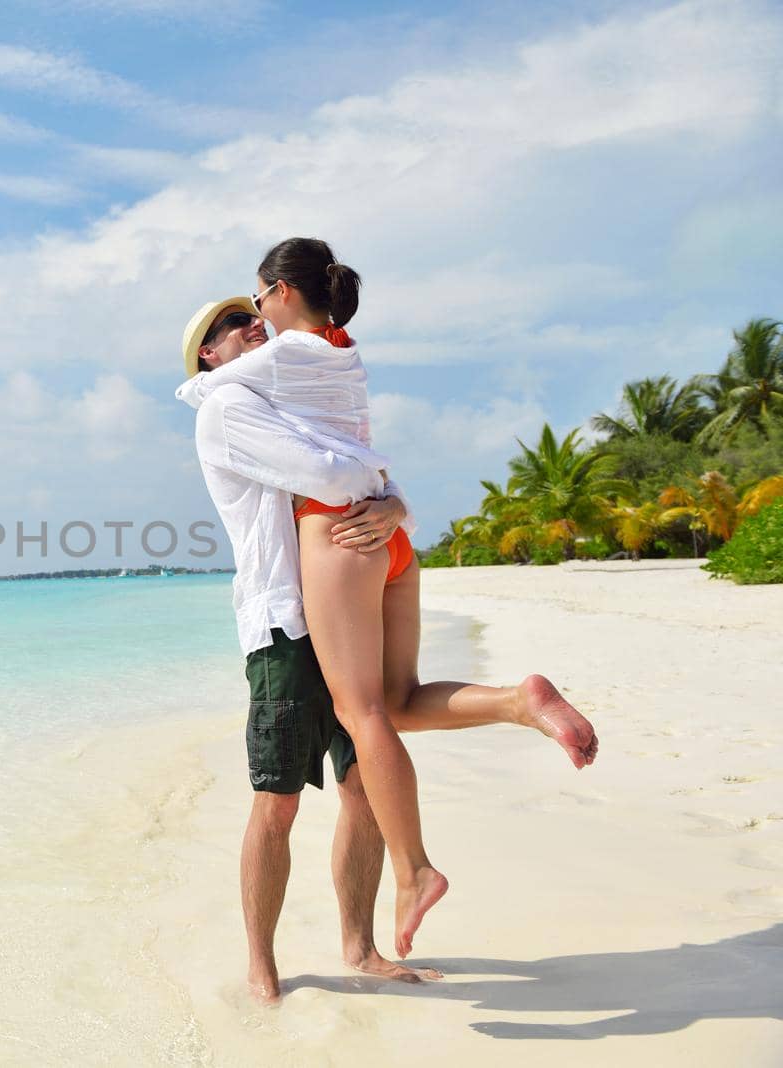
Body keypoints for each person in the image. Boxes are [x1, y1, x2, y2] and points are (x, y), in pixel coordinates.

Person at [176, 245, 599, 1001]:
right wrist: (384, 493)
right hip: (284, 622)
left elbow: (355, 462)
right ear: (208, 356)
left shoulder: (286, 392)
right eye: (232, 323)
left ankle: (361, 946)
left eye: (252, 311)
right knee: (277, 804)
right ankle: (263, 968)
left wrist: (395, 500)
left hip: (343, 585)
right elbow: (337, 475)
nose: (250, 325)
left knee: (364, 781)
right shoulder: (227, 406)